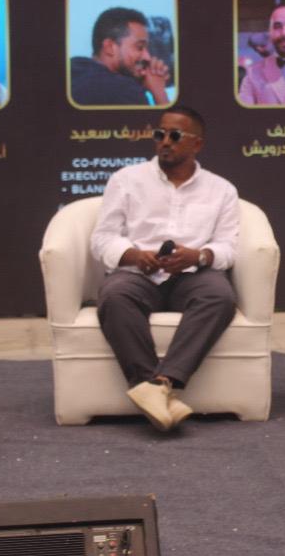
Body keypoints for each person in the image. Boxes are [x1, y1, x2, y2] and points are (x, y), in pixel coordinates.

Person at [90, 105, 239, 431]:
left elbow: (228, 247)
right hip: (137, 274)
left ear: (197, 143)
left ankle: (162, 383)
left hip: (192, 275)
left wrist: (199, 256)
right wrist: (134, 255)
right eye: (159, 134)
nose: (165, 142)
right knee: (115, 296)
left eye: (175, 135)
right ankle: (153, 388)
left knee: (220, 296)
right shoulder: (126, 180)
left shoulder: (222, 189)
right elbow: (102, 239)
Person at [71, 7, 172, 107]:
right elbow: (168, 118)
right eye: (139, 47)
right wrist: (159, 92)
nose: (148, 57)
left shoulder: (74, 72)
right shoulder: (124, 90)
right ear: (110, 47)